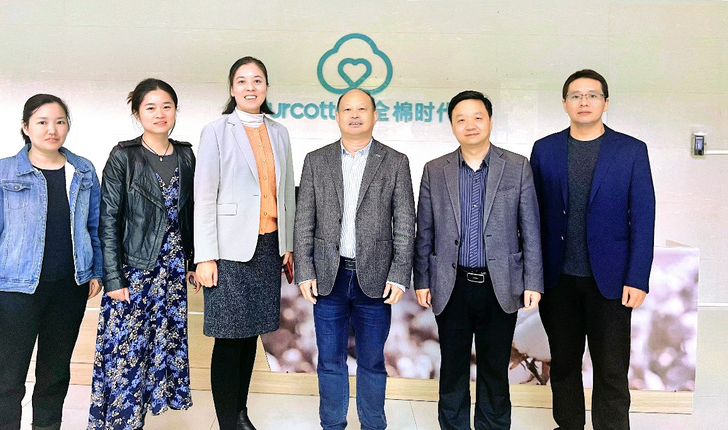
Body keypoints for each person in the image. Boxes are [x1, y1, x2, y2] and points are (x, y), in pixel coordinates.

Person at [0, 94, 102, 430]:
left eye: (59, 122)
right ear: (26, 127)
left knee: (54, 376)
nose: (51, 129)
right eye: (42, 122)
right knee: (7, 379)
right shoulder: (1, 172)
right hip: (14, 292)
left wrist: (95, 270)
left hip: (69, 290)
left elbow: (94, 225)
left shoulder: (82, 170)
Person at [529, 69, 656, 430]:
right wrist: (532, 276)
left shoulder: (631, 151)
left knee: (611, 368)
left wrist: (638, 278)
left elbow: (643, 218)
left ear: (605, 102)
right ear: (565, 103)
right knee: (563, 365)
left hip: (612, 282)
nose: (583, 102)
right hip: (558, 279)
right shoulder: (545, 149)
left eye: (592, 95)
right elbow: (532, 215)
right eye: (576, 96)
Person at [413, 90, 543, 429]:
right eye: (461, 119)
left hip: (500, 286)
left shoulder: (517, 167)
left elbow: (531, 229)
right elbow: (424, 230)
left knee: (495, 369)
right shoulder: (435, 170)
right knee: (452, 368)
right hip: (451, 285)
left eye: (477, 117)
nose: (470, 125)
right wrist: (422, 279)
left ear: (490, 121)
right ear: (452, 125)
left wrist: (533, 282)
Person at [294, 88, 415, 430]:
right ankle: (332, 424)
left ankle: (373, 425)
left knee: (372, 362)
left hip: (376, 279)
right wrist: (305, 270)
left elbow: (405, 221)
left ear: (375, 116)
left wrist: (399, 273)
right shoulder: (316, 160)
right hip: (328, 276)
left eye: (362, 109)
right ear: (337, 116)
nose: (355, 115)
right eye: (347, 109)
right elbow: (304, 220)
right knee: (330, 360)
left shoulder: (395, 162)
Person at [194, 56, 295, 430]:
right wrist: (205, 256)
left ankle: (240, 413)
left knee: (251, 333)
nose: (250, 87)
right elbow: (204, 196)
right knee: (228, 337)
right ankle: (227, 421)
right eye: (242, 81)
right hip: (227, 251)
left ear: (266, 87)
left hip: (268, 248)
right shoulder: (216, 131)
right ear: (232, 88)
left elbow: (286, 194)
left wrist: (287, 245)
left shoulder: (280, 132)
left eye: (257, 80)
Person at [88, 78, 196, 429]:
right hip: (134, 272)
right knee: (127, 358)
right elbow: (108, 220)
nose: (160, 113)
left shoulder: (186, 155)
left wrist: (192, 261)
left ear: (175, 110)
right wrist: (113, 278)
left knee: (158, 354)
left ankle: (140, 421)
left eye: (167, 106)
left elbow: (191, 213)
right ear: (137, 113)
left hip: (173, 274)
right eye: (151, 107)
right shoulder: (124, 156)